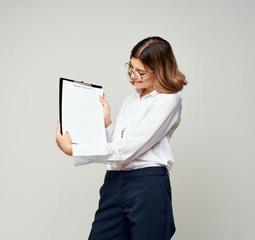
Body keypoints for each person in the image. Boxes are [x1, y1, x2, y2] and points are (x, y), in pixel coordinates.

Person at [56, 36, 187, 240]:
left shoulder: (169, 101)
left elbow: (127, 150)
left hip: (147, 183)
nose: (134, 76)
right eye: (131, 68)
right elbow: (118, 147)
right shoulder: (131, 100)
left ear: (160, 70)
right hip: (114, 182)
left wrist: (75, 150)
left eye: (140, 72)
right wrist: (107, 122)